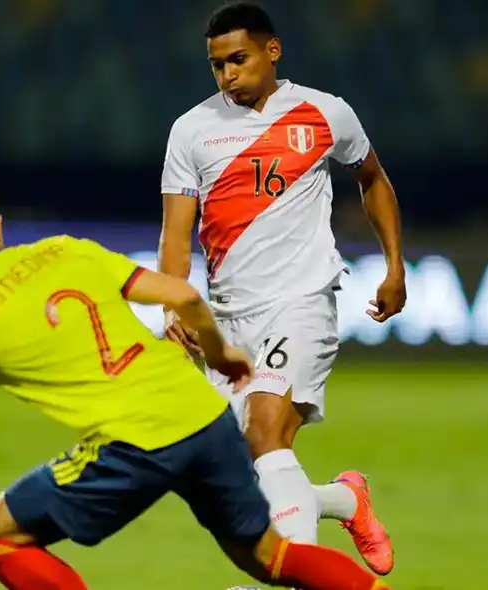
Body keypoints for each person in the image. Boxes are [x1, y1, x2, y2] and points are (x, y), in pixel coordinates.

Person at [0, 178, 391, 590]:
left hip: (135, 444)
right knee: (272, 558)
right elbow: (183, 295)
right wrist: (222, 358)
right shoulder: (65, 250)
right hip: (201, 414)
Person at [158, 1, 406, 576]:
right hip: (225, 321)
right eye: (217, 65)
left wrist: (395, 265)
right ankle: (346, 500)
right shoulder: (191, 131)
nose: (227, 75)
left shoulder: (325, 113)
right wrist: (176, 306)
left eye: (237, 60)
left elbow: (372, 178)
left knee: (266, 432)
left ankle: (298, 581)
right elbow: (176, 235)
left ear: (272, 51)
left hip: (301, 303)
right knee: (245, 476)